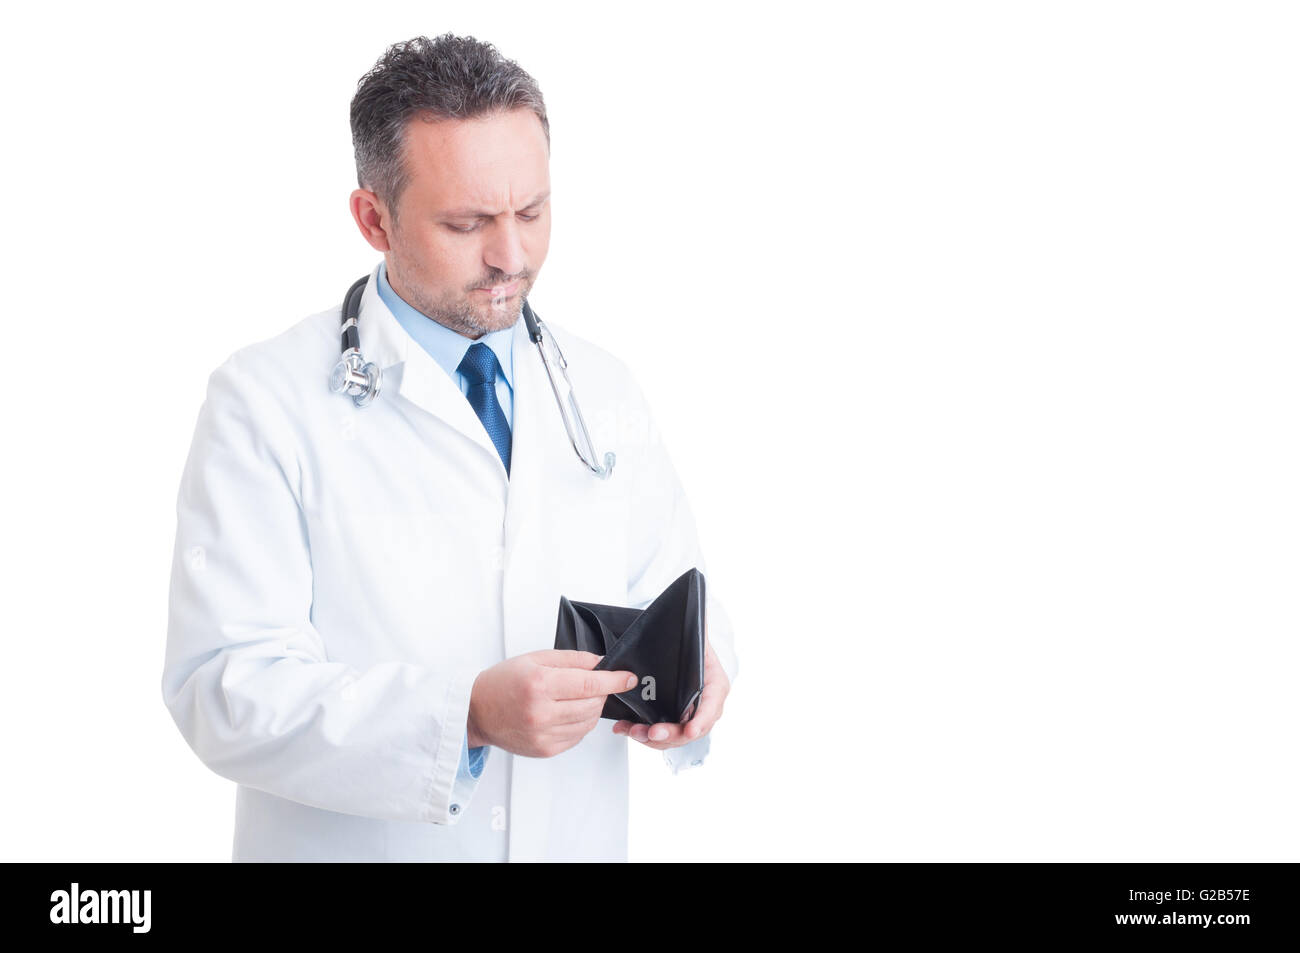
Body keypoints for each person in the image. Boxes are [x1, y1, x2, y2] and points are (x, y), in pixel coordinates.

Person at [161, 33, 739, 862]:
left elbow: (677, 594)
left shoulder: (602, 390)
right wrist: (465, 715)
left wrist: (703, 668)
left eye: (532, 212)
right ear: (374, 218)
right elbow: (222, 687)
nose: (512, 256)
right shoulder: (265, 403)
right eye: (468, 223)